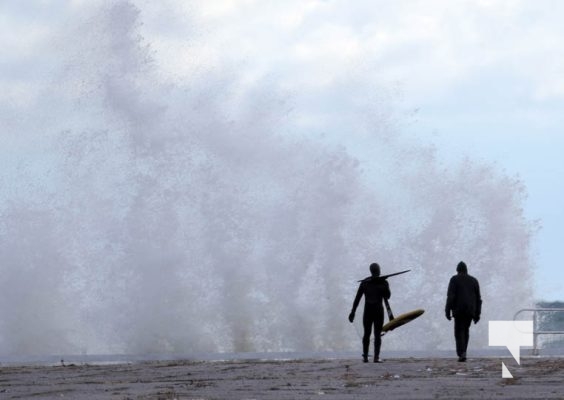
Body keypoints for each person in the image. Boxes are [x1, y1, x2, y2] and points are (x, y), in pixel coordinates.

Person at [348, 263, 391, 363]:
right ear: (378, 270)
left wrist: (353, 312)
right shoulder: (379, 282)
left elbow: (357, 299)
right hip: (377, 311)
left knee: (367, 334)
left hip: (368, 311)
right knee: (376, 334)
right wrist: (384, 285)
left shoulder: (365, 282)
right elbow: (388, 296)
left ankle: (366, 357)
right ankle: (375, 357)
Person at [445, 261, 482, 362]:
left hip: (459, 310)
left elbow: (450, 296)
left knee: (459, 331)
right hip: (470, 311)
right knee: (466, 331)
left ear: (457, 270)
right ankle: (463, 351)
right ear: (466, 270)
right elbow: (478, 299)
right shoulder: (474, 280)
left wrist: (447, 311)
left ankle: (461, 353)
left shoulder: (454, 279)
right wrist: (477, 314)